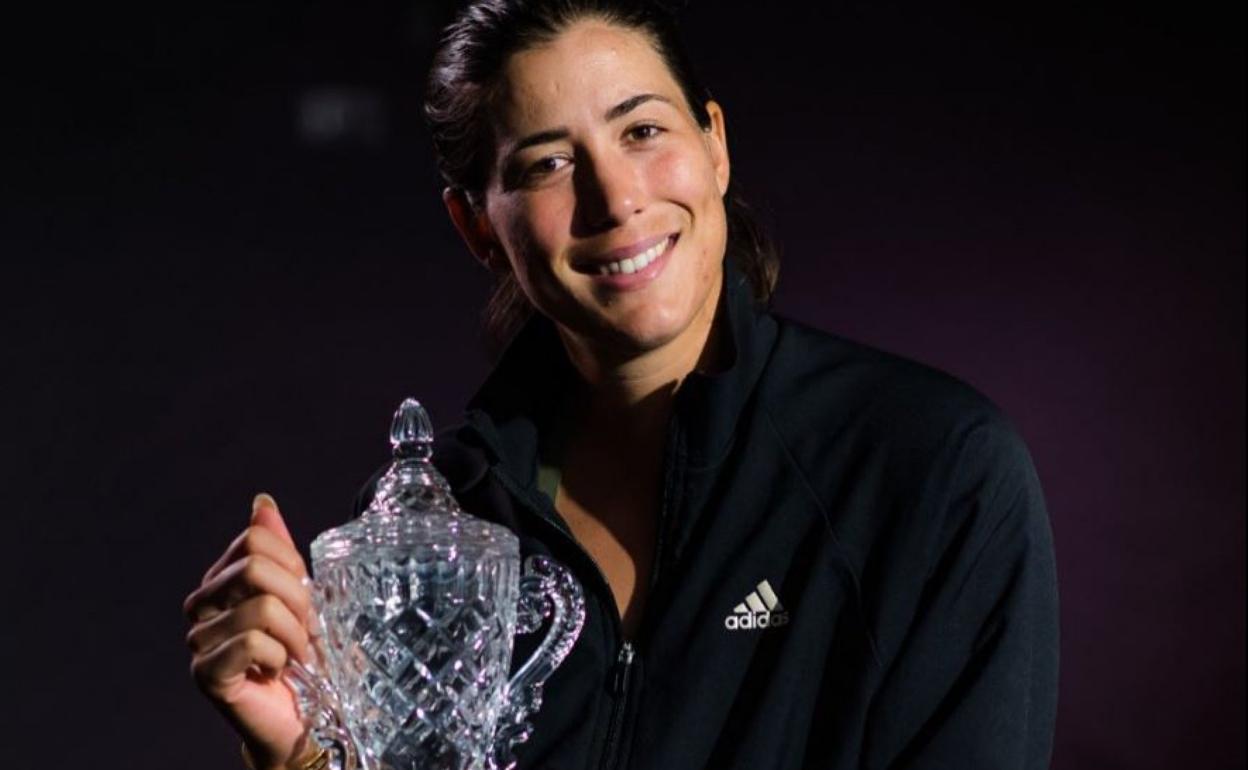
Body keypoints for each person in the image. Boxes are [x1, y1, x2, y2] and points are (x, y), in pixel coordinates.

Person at [183, 1, 1060, 768]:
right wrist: (298, 755)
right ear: (476, 227)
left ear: (714, 145)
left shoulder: (930, 471)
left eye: (642, 131)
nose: (616, 198)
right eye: (547, 164)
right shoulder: (437, 533)